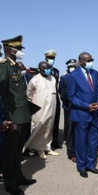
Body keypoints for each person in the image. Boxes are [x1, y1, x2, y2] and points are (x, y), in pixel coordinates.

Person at [0, 35, 36, 195]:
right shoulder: (4, 66)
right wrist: (7, 119)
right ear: (9, 49)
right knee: (9, 153)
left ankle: (18, 176)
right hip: (13, 117)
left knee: (17, 151)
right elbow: (2, 95)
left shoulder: (15, 67)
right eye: (18, 49)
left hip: (22, 115)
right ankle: (10, 184)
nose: (21, 51)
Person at [67, 52, 98, 178]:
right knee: (81, 141)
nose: (91, 62)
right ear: (81, 62)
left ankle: (91, 165)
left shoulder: (95, 73)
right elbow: (71, 97)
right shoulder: (73, 76)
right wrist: (86, 106)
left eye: (92, 60)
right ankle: (81, 166)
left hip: (95, 113)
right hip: (81, 114)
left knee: (93, 141)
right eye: (88, 60)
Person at [24, 61, 60, 159]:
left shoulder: (52, 79)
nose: (48, 70)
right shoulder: (35, 79)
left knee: (49, 127)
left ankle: (48, 147)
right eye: (46, 68)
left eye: (49, 68)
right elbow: (29, 95)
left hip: (52, 107)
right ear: (40, 70)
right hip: (39, 108)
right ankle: (39, 150)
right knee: (39, 127)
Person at [59, 59, 78, 162]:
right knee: (69, 126)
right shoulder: (65, 78)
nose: (72, 67)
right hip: (68, 106)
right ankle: (70, 148)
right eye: (70, 66)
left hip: (79, 107)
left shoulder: (80, 77)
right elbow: (61, 92)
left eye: (73, 65)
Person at [44, 50, 62, 149]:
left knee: (55, 121)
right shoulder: (41, 69)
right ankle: (45, 144)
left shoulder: (56, 71)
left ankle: (54, 142)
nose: (52, 60)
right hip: (45, 98)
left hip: (55, 97)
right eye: (50, 58)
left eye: (53, 58)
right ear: (46, 58)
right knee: (46, 121)